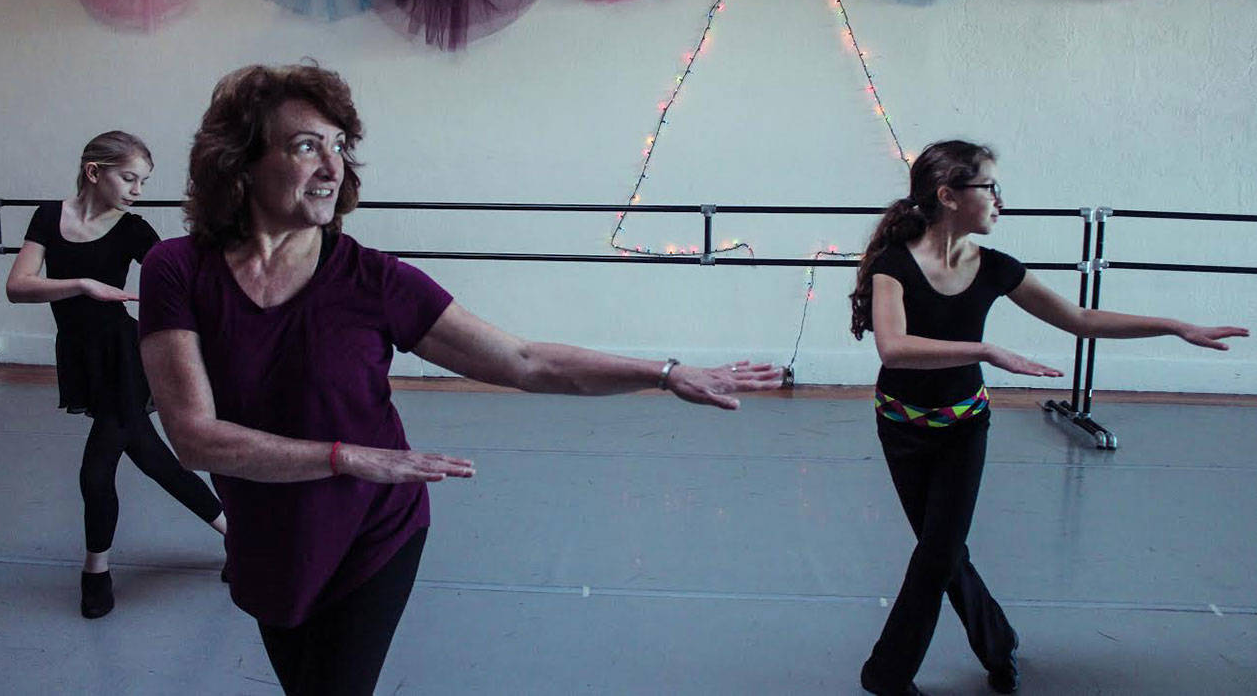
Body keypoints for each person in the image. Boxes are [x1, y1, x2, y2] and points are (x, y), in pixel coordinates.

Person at [137, 63, 782, 696]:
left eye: (339, 147)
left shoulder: (376, 283)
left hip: (372, 530)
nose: (333, 168)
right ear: (240, 162)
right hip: (266, 533)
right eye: (307, 146)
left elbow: (526, 361)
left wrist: (664, 373)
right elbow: (193, 438)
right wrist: (345, 456)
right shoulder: (177, 271)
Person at [848, 140, 1248, 696]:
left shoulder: (995, 268)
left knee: (939, 550)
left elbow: (1079, 318)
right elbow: (893, 348)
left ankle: (886, 675)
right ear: (948, 195)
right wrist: (985, 352)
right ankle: (1000, 643)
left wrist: (1175, 325)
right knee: (944, 551)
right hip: (901, 426)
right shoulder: (895, 265)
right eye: (989, 187)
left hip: (965, 427)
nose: (998, 200)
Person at [5, 131, 226, 619]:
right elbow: (17, 287)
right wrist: (83, 285)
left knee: (95, 470)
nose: (137, 190)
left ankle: (96, 572)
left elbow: (181, 278)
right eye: (129, 178)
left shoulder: (133, 229)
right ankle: (244, 541)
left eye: (143, 181)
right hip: (83, 357)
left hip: (125, 357)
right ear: (93, 172)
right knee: (152, 457)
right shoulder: (48, 217)